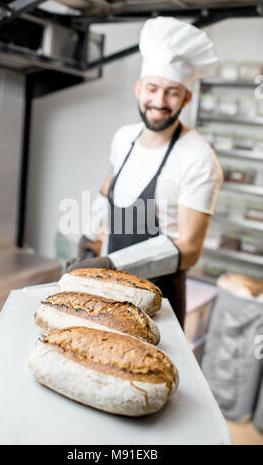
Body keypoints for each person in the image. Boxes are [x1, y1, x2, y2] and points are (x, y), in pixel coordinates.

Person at [66, 17, 223, 328]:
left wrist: (110, 263)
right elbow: (108, 191)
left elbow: (189, 249)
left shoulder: (198, 157)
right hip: (108, 292)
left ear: (187, 97)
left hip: (158, 303)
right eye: (152, 88)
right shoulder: (124, 137)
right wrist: (88, 241)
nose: (159, 102)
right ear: (138, 89)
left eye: (172, 92)